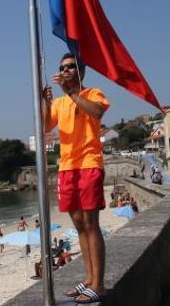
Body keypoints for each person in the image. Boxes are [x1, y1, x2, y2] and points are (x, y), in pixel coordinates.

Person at [43, 53, 109, 304]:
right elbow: (46, 125)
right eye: (62, 67)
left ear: (81, 71)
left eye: (71, 67)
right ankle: (90, 278)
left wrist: (71, 92)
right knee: (79, 224)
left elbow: (97, 113)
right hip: (67, 167)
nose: (66, 70)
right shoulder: (60, 102)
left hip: (89, 163)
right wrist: (45, 101)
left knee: (91, 223)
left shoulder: (93, 93)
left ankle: (99, 285)